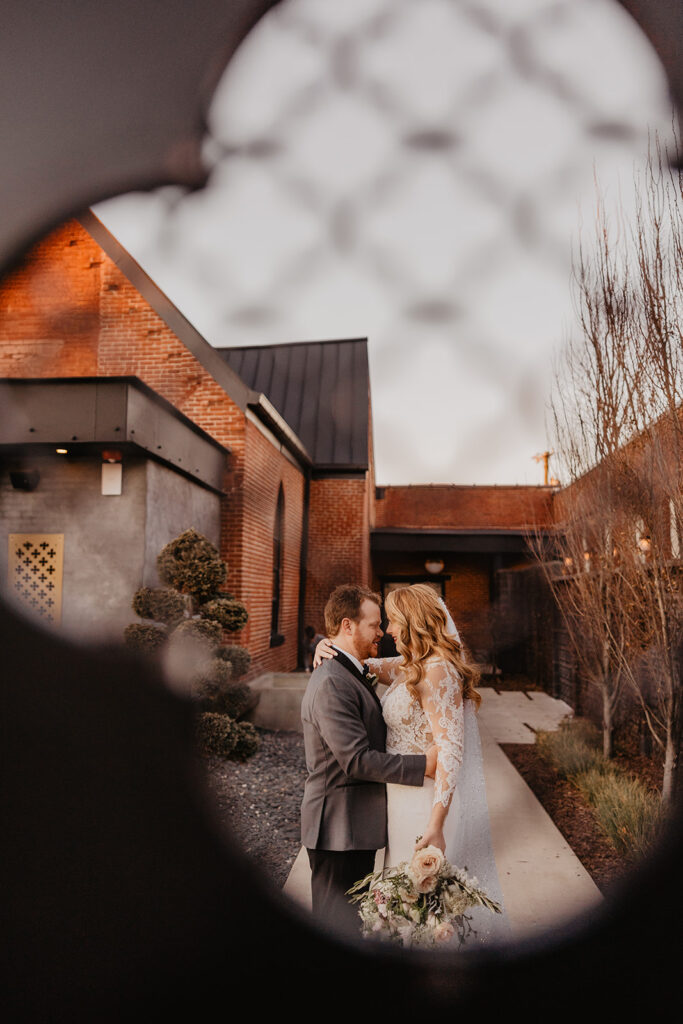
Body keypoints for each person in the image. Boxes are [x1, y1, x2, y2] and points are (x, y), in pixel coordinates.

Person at [314, 583, 509, 945]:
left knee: (427, 913)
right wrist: (325, 645)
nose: (387, 630)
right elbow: (363, 664)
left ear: (414, 621)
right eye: (381, 623)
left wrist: (436, 825)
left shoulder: (438, 672)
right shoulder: (412, 667)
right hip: (399, 802)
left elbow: (450, 752)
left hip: (424, 805)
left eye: (393, 621)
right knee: (403, 908)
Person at [300, 584, 438, 935]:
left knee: (354, 928)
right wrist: (425, 765)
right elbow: (357, 760)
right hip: (338, 831)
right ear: (347, 626)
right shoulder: (332, 682)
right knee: (336, 930)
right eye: (374, 625)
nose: (381, 633)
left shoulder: (349, 670)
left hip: (353, 828)